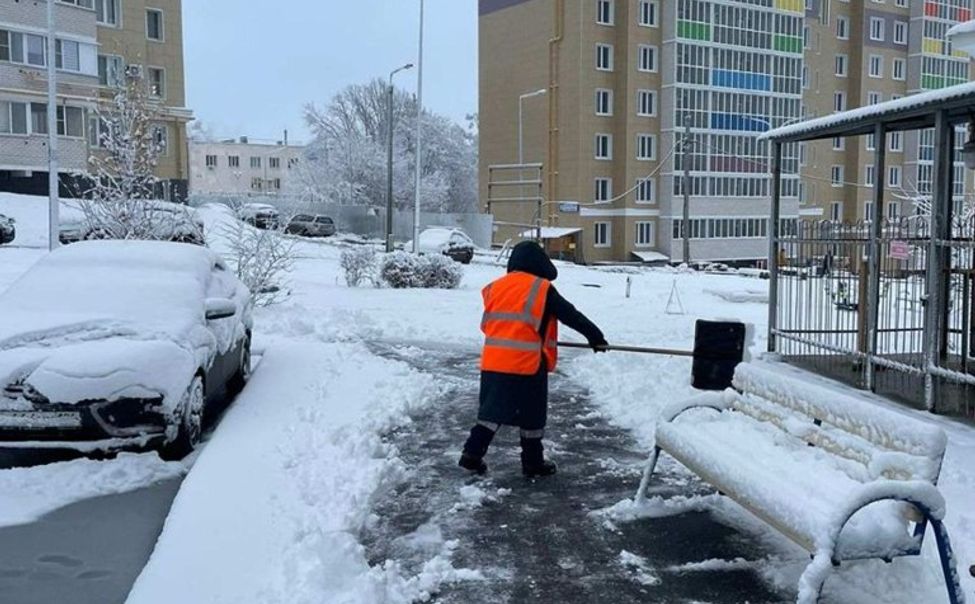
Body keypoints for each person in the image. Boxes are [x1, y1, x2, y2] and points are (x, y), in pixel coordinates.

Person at [459, 241, 607, 478]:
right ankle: (533, 462)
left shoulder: (494, 288)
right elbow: (570, 315)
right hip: (526, 364)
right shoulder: (541, 288)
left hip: (493, 362)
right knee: (532, 415)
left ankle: (471, 454)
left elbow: (488, 325)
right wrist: (595, 336)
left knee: (490, 413)